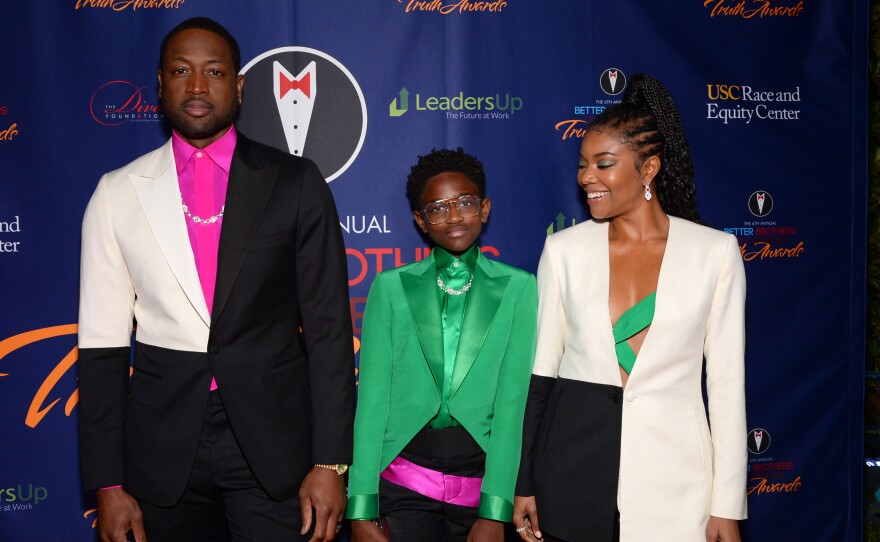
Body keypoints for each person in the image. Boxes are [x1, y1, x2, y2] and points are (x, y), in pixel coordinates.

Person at [77, 17, 354, 542]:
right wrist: (107, 484)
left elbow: (329, 334)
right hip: (161, 453)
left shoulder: (296, 182)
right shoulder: (116, 193)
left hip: (276, 450)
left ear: (240, 85)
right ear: (160, 84)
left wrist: (332, 463)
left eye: (215, 72)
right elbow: (101, 350)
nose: (198, 87)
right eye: (181, 71)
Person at [513, 74, 747, 542]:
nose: (586, 178)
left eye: (604, 164)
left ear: (649, 168)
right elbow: (540, 378)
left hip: (679, 488)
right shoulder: (563, 251)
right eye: (583, 165)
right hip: (572, 477)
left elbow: (725, 387)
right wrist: (524, 485)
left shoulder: (715, 253)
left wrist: (726, 506)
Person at [345, 148, 537, 541]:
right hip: (404, 478)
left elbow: (513, 403)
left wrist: (495, 509)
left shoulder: (520, 288)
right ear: (420, 220)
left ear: (484, 208)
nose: (453, 216)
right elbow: (373, 402)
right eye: (437, 207)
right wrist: (360, 507)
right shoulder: (391, 286)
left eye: (465, 202)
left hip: (480, 479)